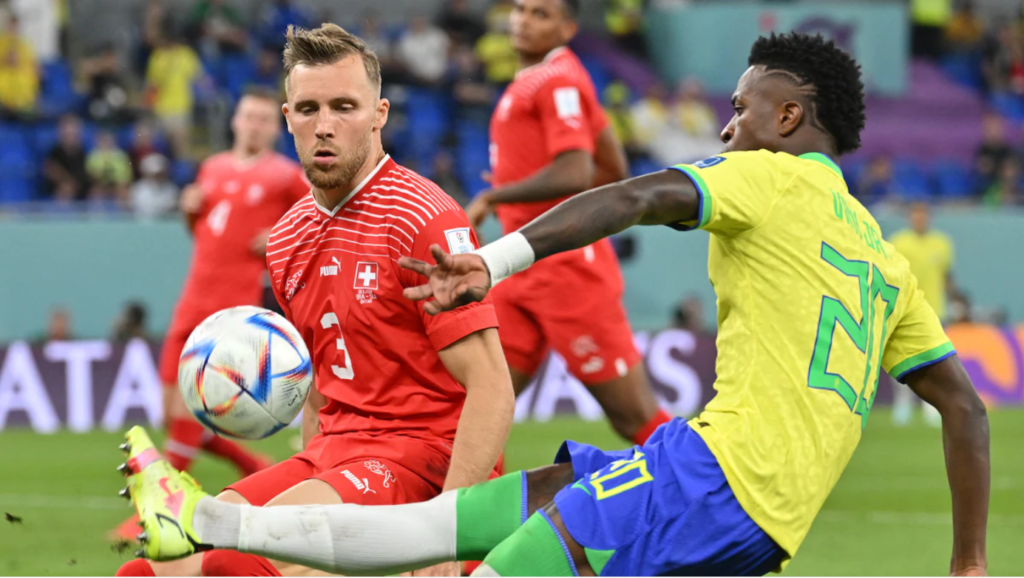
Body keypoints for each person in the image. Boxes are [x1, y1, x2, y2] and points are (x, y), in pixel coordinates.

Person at [120, 32, 990, 578]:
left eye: (741, 111)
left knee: (470, 553)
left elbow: (634, 196)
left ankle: (202, 519)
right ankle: (203, 521)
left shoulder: (765, 175)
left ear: (791, 118)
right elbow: (965, 407)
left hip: (711, 483)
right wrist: (969, 561)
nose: (726, 129)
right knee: (486, 513)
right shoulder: (883, 261)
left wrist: (491, 262)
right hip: (762, 522)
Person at [116, 24, 514, 578]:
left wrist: (448, 529)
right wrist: (308, 472)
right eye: (308, 109)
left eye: (344, 107)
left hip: (423, 462)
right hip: (336, 452)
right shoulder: (286, 240)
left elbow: (492, 384)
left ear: (379, 114)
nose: (324, 126)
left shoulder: (423, 219)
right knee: (165, 566)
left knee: (250, 559)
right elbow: (319, 388)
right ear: (288, 118)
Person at [108, 86, 309, 543]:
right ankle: (257, 469)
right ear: (236, 121)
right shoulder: (212, 168)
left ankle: (160, 507)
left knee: (188, 414)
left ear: (274, 127)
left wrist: (283, 232)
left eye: (263, 119)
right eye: (248, 116)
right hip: (191, 299)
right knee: (171, 413)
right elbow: (202, 231)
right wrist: (187, 211)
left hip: (231, 313)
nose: (254, 125)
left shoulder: (285, 176)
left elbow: (318, 214)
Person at [466, 0, 671, 445]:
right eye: (520, 9)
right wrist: (520, 186)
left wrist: (495, 194)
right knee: (481, 403)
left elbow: (576, 171)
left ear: (568, 28)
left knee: (633, 416)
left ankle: (714, 491)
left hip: (566, 269)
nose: (523, 19)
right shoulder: (556, 78)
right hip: (519, 265)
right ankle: (462, 509)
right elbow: (612, 168)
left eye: (541, 13)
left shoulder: (555, 79)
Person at [889, 202, 956, 426]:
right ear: (910, 218)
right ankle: (902, 405)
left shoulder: (942, 243)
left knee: (935, 361)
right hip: (905, 310)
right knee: (901, 358)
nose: (919, 219)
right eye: (916, 216)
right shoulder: (898, 242)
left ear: (929, 218)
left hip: (935, 309)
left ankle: (930, 406)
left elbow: (946, 275)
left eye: (923, 215)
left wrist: (955, 299)